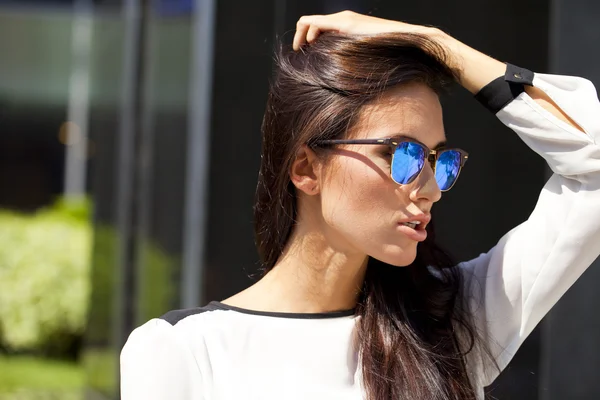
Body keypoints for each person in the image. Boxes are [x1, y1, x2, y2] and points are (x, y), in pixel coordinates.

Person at [120, 11, 600, 400]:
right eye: (403, 154)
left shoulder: (454, 320)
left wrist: (434, 43)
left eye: (439, 158)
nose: (431, 188)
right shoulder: (184, 350)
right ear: (306, 169)